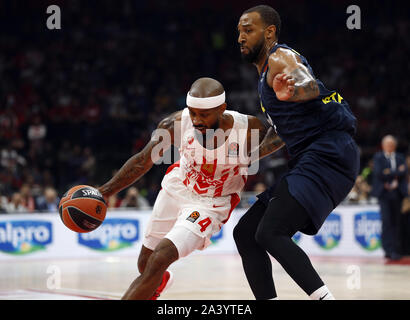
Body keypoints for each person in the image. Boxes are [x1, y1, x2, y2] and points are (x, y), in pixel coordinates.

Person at [97, 77, 284, 300]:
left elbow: (281, 133)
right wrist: (105, 192)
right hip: (178, 186)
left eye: (203, 115)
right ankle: (159, 282)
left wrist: (252, 154)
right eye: (193, 113)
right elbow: (142, 161)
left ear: (222, 109)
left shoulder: (248, 127)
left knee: (160, 258)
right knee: (145, 264)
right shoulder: (175, 124)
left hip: (211, 203)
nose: (196, 120)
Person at [234, 5, 360, 300]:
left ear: (269, 32)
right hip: (313, 157)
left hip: (329, 152)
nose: (240, 37)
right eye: (238, 31)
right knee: (247, 233)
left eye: (248, 30)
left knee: (270, 232)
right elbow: (280, 133)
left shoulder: (281, 57)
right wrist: (246, 157)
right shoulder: (265, 76)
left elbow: (308, 85)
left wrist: (294, 90)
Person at [372, 135, 408, 260]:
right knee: (387, 222)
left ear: (395, 146)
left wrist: (389, 173)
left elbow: (404, 172)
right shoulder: (378, 157)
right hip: (384, 194)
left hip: (398, 193)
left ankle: (396, 249)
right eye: (387, 144)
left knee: (397, 223)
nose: (390, 146)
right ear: (383, 146)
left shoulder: (400, 157)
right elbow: (378, 173)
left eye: (392, 144)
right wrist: (397, 172)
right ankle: (388, 250)